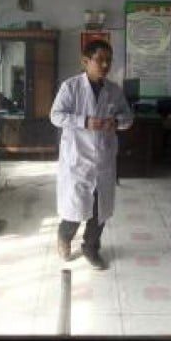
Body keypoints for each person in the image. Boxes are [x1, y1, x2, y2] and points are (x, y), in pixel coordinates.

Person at [50, 39, 133, 270]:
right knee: (75, 210)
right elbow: (55, 116)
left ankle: (91, 248)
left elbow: (128, 118)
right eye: (100, 60)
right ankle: (64, 237)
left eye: (108, 60)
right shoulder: (71, 87)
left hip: (104, 161)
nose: (105, 64)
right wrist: (84, 121)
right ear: (85, 61)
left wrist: (116, 122)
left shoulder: (114, 90)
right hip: (77, 160)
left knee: (100, 211)